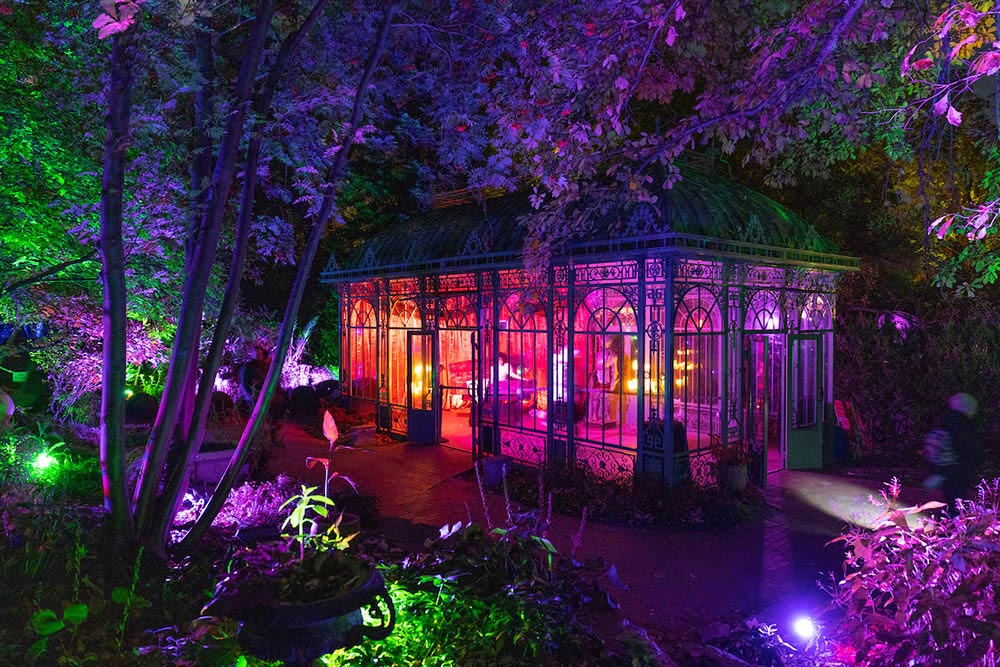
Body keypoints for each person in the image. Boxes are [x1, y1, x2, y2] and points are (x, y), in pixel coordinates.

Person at [932, 392, 982, 508]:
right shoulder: (963, 425)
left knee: (949, 497)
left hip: (944, 469)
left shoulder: (944, 422)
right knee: (957, 499)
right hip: (957, 469)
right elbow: (967, 446)